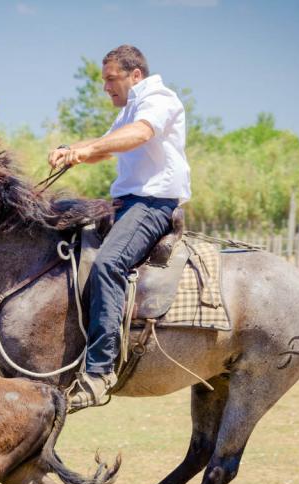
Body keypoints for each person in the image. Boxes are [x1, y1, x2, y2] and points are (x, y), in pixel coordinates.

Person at [48, 44, 191, 410]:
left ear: (135, 75)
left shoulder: (159, 99)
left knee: (108, 264)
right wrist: (71, 150)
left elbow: (140, 135)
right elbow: (106, 148)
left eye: (111, 79)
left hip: (153, 204)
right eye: (104, 81)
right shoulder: (130, 107)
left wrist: (83, 150)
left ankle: (99, 372)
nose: (106, 87)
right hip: (125, 204)